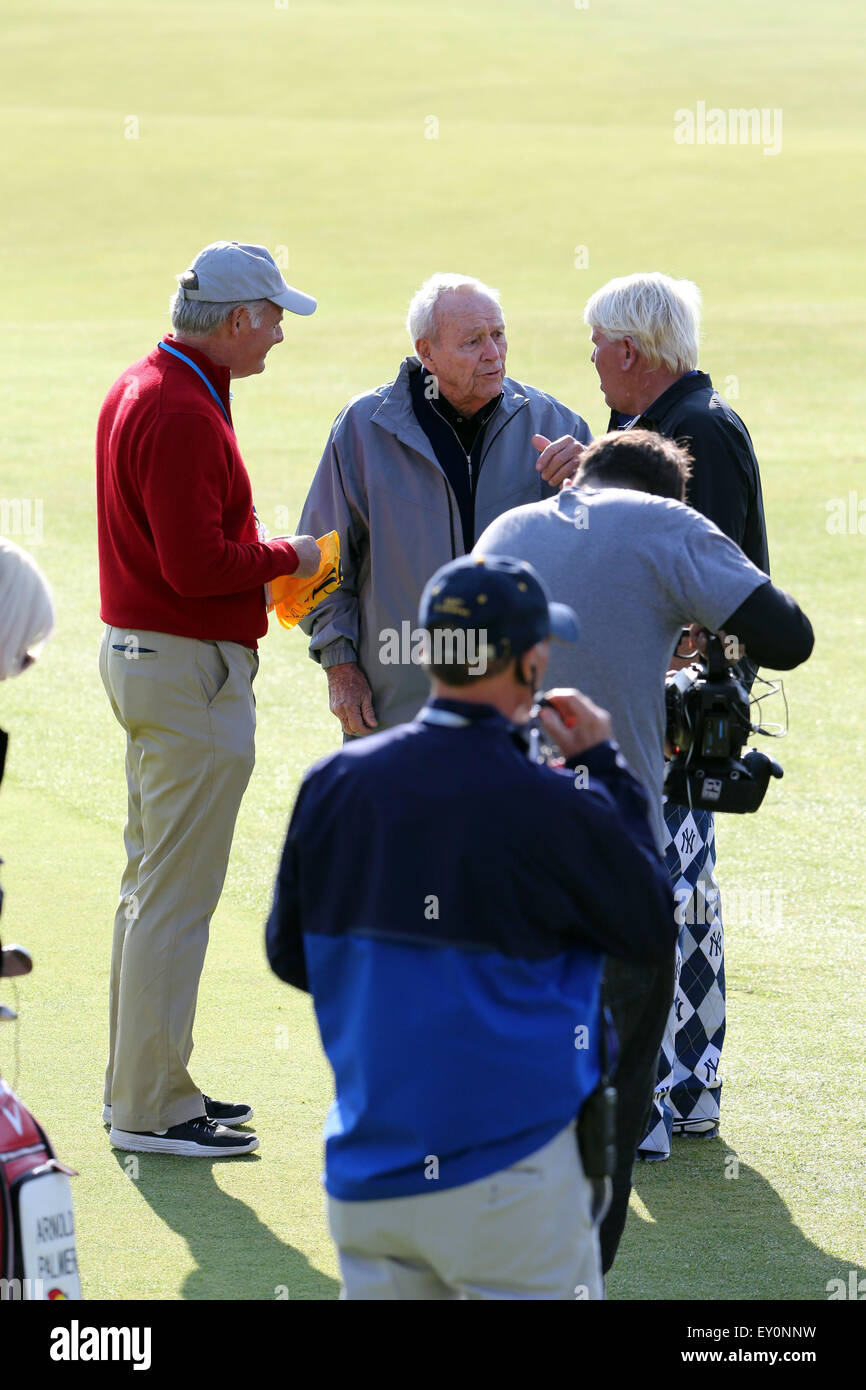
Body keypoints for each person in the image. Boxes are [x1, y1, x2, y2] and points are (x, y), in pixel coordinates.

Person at [266, 554, 676, 1300]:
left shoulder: (334, 784)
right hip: (514, 1183)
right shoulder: (557, 805)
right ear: (532, 663)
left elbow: (291, 956)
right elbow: (649, 925)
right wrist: (606, 768)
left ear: (426, 652)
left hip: (370, 1180)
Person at [474, 430, 814, 1273]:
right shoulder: (667, 525)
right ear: (669, 494)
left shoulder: (507, 531)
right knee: (607, 1119)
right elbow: (790, 636)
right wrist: (690, 610)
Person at [96, 240, 321, 1158]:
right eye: (271, 317)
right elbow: (196, 568)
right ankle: (152, 1110)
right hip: (187, 670)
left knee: (149, 891)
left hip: (154, 662)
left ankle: (142, 1090)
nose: (277, 333)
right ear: (235, 322)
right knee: (175, 899)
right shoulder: (183, 408)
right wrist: (294, 557)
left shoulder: (150, 383)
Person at [584, 271, 770, 1155]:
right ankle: (685, 1086)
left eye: (597, 343)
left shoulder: (698, 431)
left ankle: (662, 1096)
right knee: (679, 892)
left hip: (671, 716)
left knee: (666, 894)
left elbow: (713, 590)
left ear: (630, 349)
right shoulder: (649, 427)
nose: (589, 359)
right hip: (656, 709)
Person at [296, 272, 592, 736]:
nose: (493, 353)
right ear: (426, 352)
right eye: (473, 341)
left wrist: (591, 479)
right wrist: (340, 667)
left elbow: (603, 551)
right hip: (398, 709)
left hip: (518, 708)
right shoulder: (363, 429)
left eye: (498, 335)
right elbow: (322, 562)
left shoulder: (555, 424)